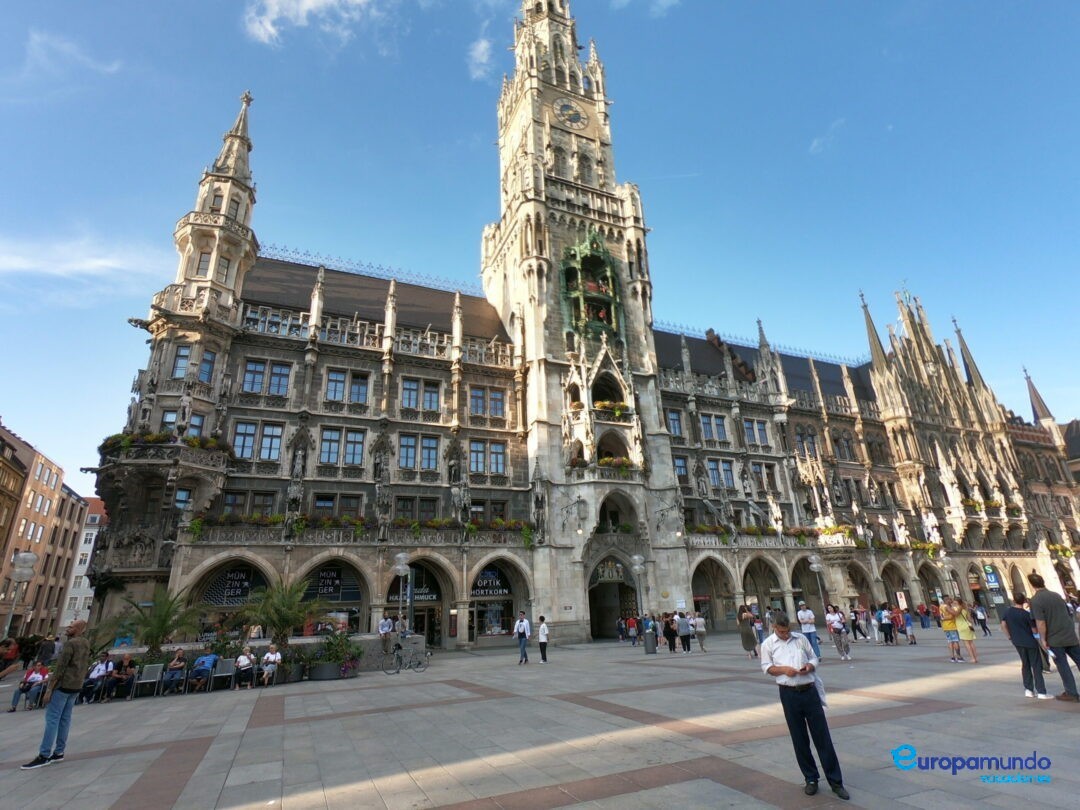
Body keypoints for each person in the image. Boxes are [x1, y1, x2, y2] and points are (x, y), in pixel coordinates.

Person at [760, 613, 849, 801]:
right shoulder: (768, 644)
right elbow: (766, 667)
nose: (785, 635)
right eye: (782, 631)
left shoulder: (800, 639)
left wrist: (810, 666)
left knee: (822, 736)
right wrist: (783, 669)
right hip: (788, 693)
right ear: (774, 627)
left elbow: (814, 657)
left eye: (787, 631)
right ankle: (811, 779)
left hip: (809, 692)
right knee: (799, 738)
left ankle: (836, 781)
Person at [21, 619, 91, 769]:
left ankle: (44, 755)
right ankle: (59, 752)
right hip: (76, 686)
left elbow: (60, 667)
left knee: (52, 719)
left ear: (78, 629)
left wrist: (50, 689)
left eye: (71, 626)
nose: (68, 627)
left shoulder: (70, 644)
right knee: (65, 719)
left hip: (63, 685)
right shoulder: (86, 642)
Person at [1028, 572, 1080, 702]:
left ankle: (1071, 693)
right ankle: (1071, 692)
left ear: (1032, 585)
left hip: (1055, 639)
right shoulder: (1057, 595)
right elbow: (1069, 614)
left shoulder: (1036, 600)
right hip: (1070, 635)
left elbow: (1040, 622)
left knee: (1063, 665)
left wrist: (1043, 639)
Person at [1000, 593, 1051, 699]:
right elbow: (1034, 630)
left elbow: (1003, 624)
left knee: (1025, 664)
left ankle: (1028, 690)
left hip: (1017, 642)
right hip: (1030, 642)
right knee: (1036, 666)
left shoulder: (1008, 612)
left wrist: (1009, 636)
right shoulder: (1026, 614)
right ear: (1024, 601)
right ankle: (1041, 691)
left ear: (1014, 600)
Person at [952, 598, 979, 663]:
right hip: (968, 626)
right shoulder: (965, 609)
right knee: (971, 643)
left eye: (954, 602)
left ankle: (972, 658)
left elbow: (954, 615)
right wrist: (971, 624)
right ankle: (975, 658)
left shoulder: (955, 609)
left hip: (961, 627)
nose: (953, 603)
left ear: (957, 603)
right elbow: (970, 619)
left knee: (966, 643)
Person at [940, 598, 964, 663]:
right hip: (951, 626)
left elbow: (941, 617)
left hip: (945, 626)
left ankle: (952, 657)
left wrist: (943, 618)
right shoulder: (947, 607)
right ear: (946, 600)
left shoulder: (941, 606)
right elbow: (954, 614)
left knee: (950, 641)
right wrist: (960, 608)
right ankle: (959, 657)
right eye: (950, 599)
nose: (951, 601)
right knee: (955, 641)